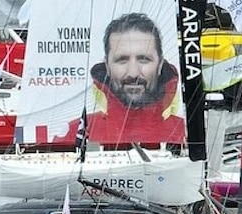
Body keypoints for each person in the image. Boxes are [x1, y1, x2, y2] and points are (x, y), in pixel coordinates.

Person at [76, 12, 184, 145]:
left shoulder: (187, 134)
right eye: (122, 60)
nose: (133, 73)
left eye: (144, 59)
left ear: (160, 64)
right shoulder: (75, 133)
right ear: (107, 66)